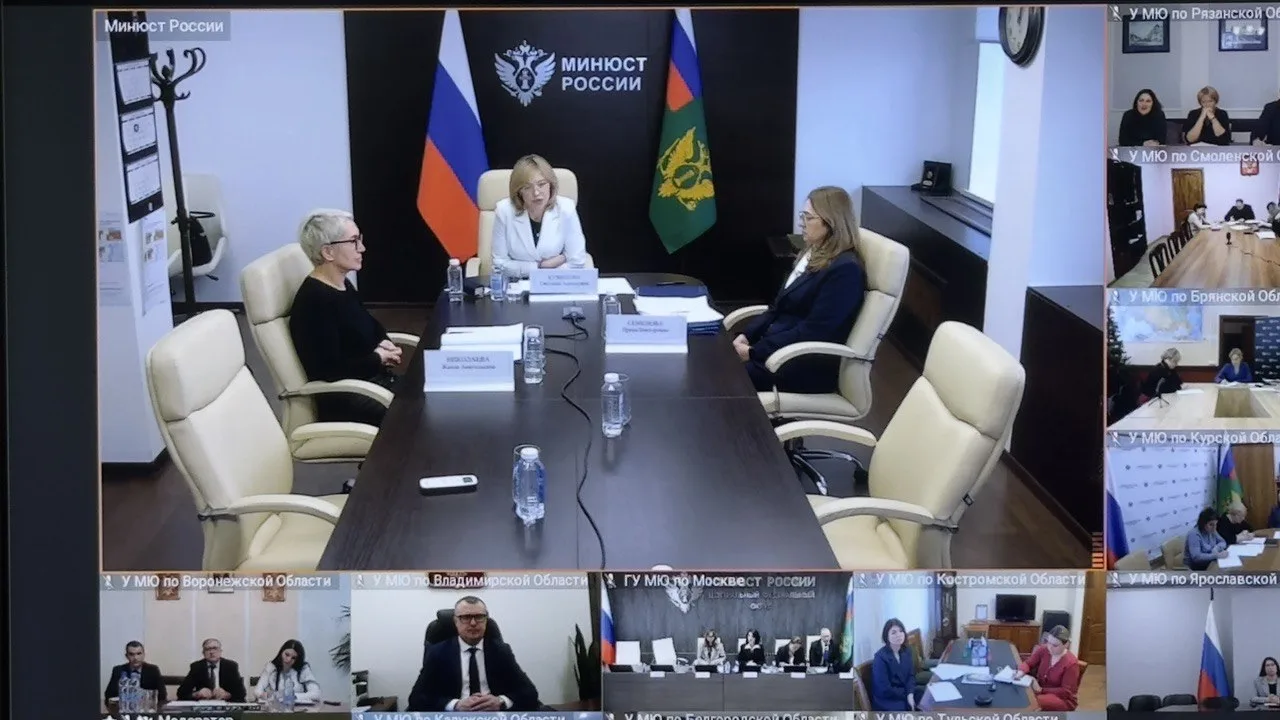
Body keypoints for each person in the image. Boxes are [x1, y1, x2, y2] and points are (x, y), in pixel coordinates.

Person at [734, 186, 866, 393]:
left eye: (808, 218)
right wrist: (747, 336)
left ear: (832, 222)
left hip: (801, 364)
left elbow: (814, 331)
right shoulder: (812, 253)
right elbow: (776, 308)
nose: (801, 224)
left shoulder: (845, 270)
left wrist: (754, 352)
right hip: (777, 349)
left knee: (726, 377)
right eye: (802, 216)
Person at [289, 209, 402, 428]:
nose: (362, 248)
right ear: (328, 252)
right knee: (423, 410)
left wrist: (383, 341)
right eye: (353, 241)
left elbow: (368, 325)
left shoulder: (341, 284)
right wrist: (378, 358)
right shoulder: (315, 301)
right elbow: (329, 369)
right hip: (349, 397)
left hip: (373, 383)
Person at [407, 596, 540, 712]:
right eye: (465, 617)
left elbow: (529, 692)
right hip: (455, 716)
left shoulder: (501, 651)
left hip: (492, 714)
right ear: (455, 621)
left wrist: (500, 701)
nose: (473, 623)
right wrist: (455, 704)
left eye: (479, 617)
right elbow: (417, 697)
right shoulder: (438, 652)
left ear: (486, 620)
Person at [491, 154, 588, 278]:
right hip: (516, 285)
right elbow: (499, 264)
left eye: (541, 184)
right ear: (518, 191)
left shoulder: (566, 208)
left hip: (556, 283)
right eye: (527, 187)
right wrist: (540, 267)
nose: (536, 193)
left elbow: (577, 262)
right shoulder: (504, 211)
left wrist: (545, 276)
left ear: (551, 185)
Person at [1013, 625, 1081, 711]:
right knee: (1020, 694)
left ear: (1066, 645)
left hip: (1062, 699)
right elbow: (1028, 663)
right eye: (1048, 642)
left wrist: (1041, 690)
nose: (1050, 647)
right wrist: (1021, 672)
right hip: (1040, 691)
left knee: (1031, 701)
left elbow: (1065, 692)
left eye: (1055, 645)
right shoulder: (1044, 649)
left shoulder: (1071, 664)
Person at [177, 638, 247, 703]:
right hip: (203, 705)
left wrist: (227, 694)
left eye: (215, 648)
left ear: (220, 651)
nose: (211, 652)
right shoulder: (197, 667)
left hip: (224, 704)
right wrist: (197, 694)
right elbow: (181, 693)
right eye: (208, 649)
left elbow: (241, 693)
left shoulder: (231, 666)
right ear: (203, 653)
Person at [254, 640, 322, 704]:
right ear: (281, 652)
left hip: (299, 709)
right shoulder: (271, 667)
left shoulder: (303, 669)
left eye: (293, 658)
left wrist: (292, 697)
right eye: (287, 654)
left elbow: (316, 693)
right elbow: (257, 691)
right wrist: (264, 695)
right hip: (275, 708)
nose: (289, 659)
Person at [870, 619, 916, 711]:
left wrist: (910, 694)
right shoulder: (880, 658)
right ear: (886, 636)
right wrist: (907, 694)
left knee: (925, 697)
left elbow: (911, 676)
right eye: (893, 632)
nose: (898, 635)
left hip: (904, 692)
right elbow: (884, 689)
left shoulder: (906, 651)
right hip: (888, 700)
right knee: (907, 709)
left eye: (901, 631)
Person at [105, 641, 168, 706]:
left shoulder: (153, 670)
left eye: (139, 654)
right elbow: (109, 695)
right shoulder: (118, 670)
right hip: (125, 707)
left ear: (144, 655)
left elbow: (162, 695)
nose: (135, 658)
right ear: (126, 656)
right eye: (131, 654)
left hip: (146, 708)